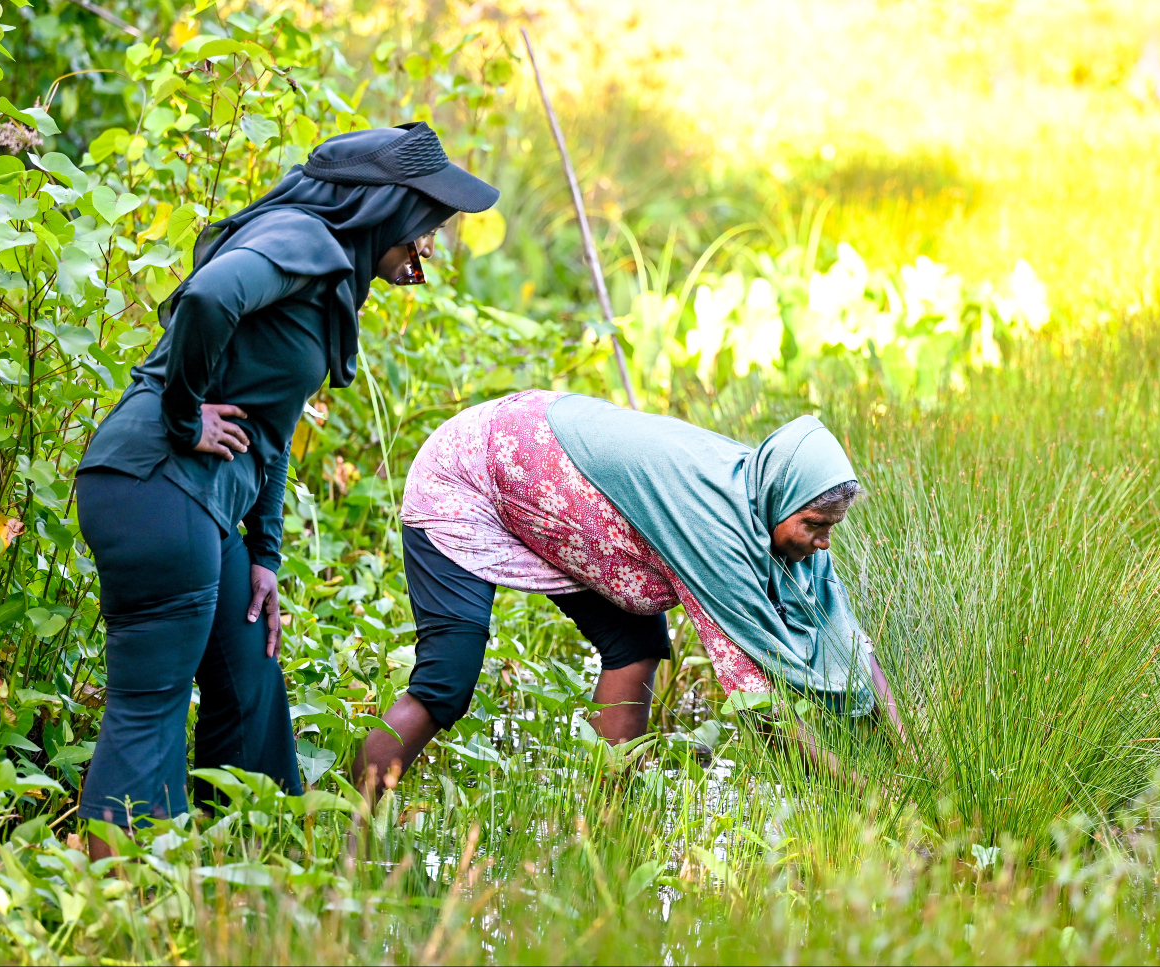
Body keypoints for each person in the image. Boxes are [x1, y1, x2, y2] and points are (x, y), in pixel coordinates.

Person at [73, 123, 498, 855]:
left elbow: (270, 424)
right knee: (148, 711)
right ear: (387, 209)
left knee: (251, 674)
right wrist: (183, 416)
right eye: (427, 223)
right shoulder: (302, 239)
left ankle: (251, 869)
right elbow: (209, 297)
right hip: (155, 488)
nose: (430, 244)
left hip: (200, 506)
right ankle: (115, 898)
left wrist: (264, 554)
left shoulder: (325, 273)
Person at [353, 390, 900, 790]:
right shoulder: (712, 532)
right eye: (815, 526)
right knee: (446, 683)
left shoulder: (771, 491)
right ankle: (349, 833)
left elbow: (846, 639)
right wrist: (867, 794)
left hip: (552, 470)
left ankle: (606, 824)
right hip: (468, 474)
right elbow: (760, 710)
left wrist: (908, 753)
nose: (823, 543)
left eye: (831, 528)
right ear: (786, 499)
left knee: (636, 646)